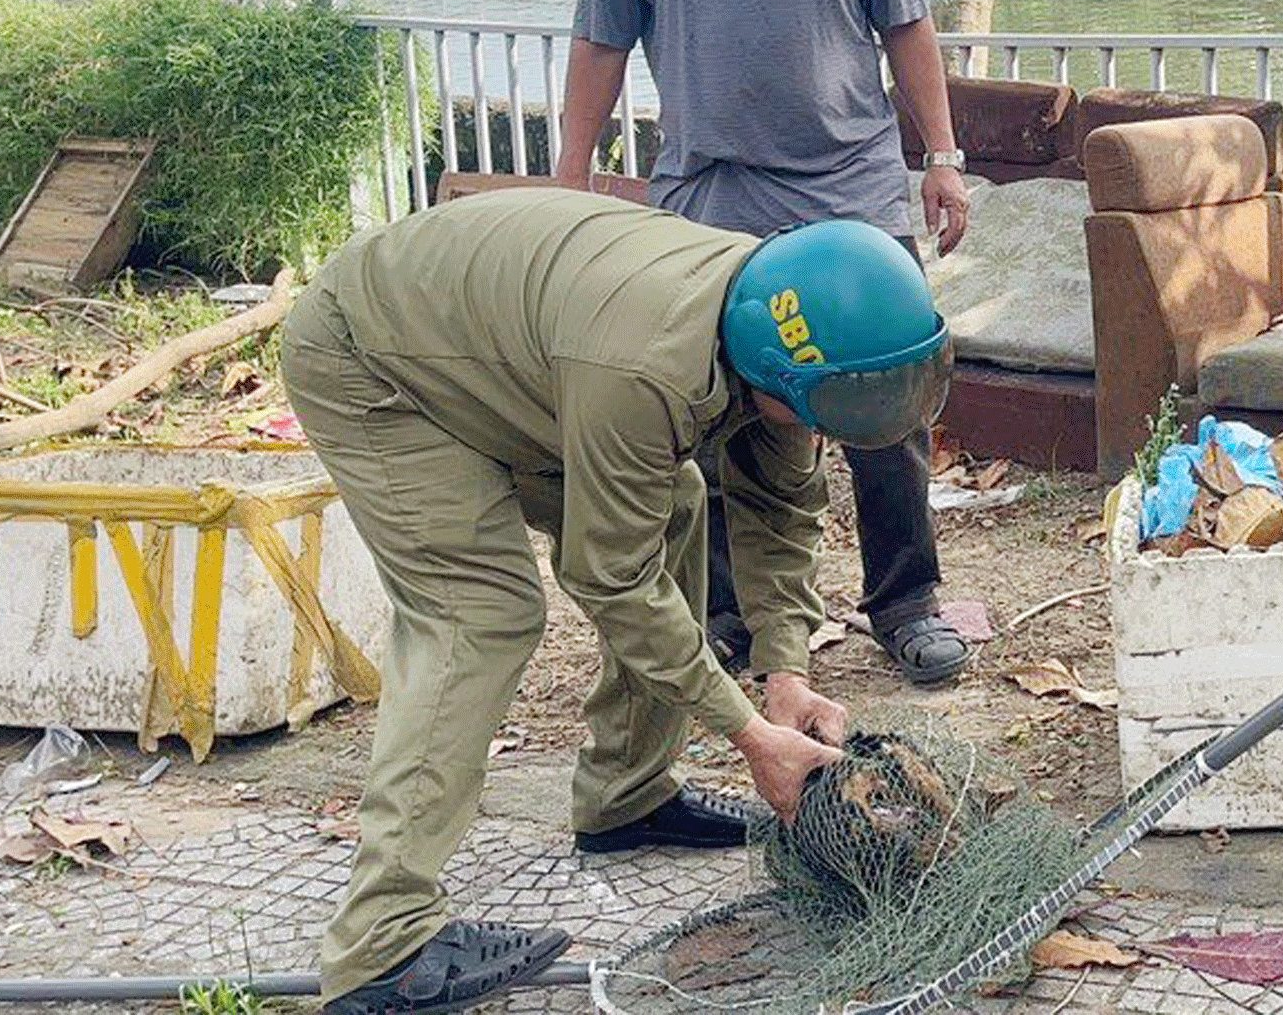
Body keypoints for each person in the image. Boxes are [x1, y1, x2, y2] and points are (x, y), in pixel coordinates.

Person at [281, 190, 954, 1015]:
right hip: (375, 361)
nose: (828, 430)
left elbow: (780, 513)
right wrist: (748, 735)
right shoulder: (648, 367)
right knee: (479, 610)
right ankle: (382, 945)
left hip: (502, 348)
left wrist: (784, 673)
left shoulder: (774, 323)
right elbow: (612, 576)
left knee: (672, 503)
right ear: (776, 372)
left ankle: (626, 796)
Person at [555, 0, 976, 687]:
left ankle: (906, 600)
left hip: (851, 181)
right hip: (708, 190)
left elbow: (905, 22)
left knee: (888, 404)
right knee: (707, 415)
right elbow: (601, 38)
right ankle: (726, 612)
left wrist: (943, 154)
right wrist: (570, 177)